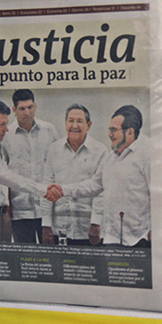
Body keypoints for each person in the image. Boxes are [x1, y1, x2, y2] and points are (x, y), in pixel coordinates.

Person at [48, 105, 151, 248]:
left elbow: (159, 197)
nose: (109, 134)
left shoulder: (148, 155)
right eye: (110, 129)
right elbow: (94, 185)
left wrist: (155, 230)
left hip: (138, 240)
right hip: (111, 238)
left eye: (114, 130)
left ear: (130, 132)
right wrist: (62, 190)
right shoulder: (111, 157)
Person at [0, 99, 58, 243]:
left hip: (1, 216)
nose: (6, 129)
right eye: (2, 125)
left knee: (5, 263)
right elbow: (8, 178)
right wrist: (44, 190)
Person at [40, 104, 109, 246]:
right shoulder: (54, 149)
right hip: (60, 229)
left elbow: (101, 191)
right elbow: (47, 187)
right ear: (65, 123)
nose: (74, 125)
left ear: (88, 125)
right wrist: (46, 225)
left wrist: (96, 223)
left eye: (79, 121)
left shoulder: (100, 150)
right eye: (70, 121)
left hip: (89, 230)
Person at [2, 89, 59, 244]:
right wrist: (8, 211)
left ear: (35, 106)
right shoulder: (5, 135)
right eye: (22, 109)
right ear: (14, 110)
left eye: (30, 107)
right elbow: (3, 175)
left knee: (52, 257)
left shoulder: (49, 130)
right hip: (20, 211)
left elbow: (58, 168)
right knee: (25, 259)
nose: (27, 112)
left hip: (47, 210)